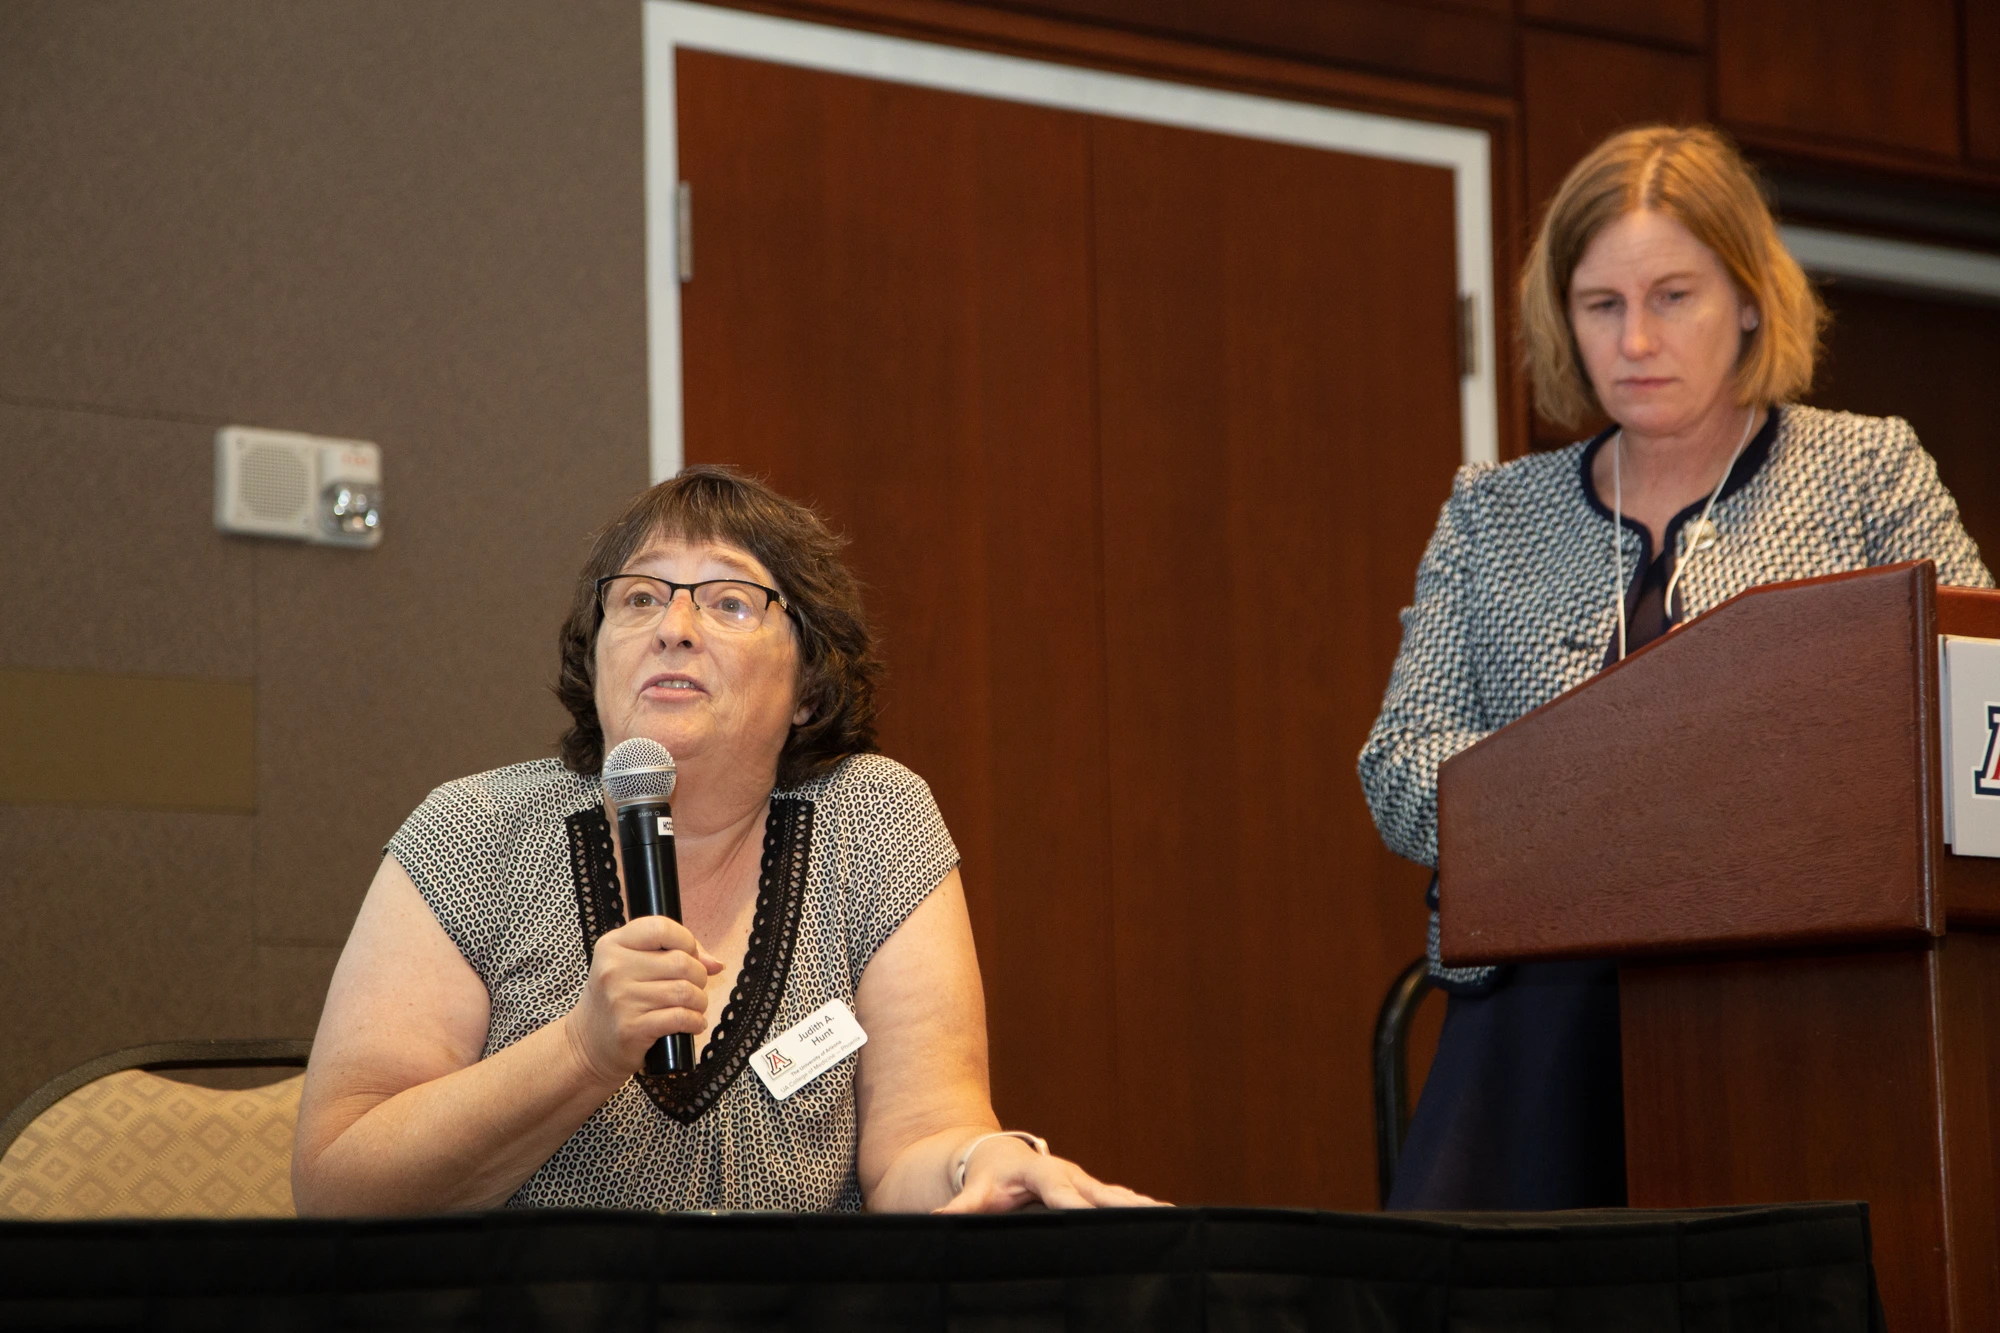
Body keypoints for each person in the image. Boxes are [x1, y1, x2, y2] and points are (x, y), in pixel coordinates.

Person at [1359, 125, 1992, 1211]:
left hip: (1804, 1014)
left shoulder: (1863, 472)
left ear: (1748, 298)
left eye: (1672, 296)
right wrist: (1625, 797)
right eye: (1600, 304)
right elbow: (1398, 770)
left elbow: (1972, 713)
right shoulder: (1488, 513)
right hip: (1530, 1024)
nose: (1635, 338)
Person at [293, 466, 1154, 1214]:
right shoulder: (472, 833)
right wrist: (580, 1051)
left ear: (809, 689)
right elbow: (339, 1179)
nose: (673, 626)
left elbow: (921, 1138)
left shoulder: (875, 820)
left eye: (730, 601)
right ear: (595, 661)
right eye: (640, 597)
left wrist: (985, 1158)